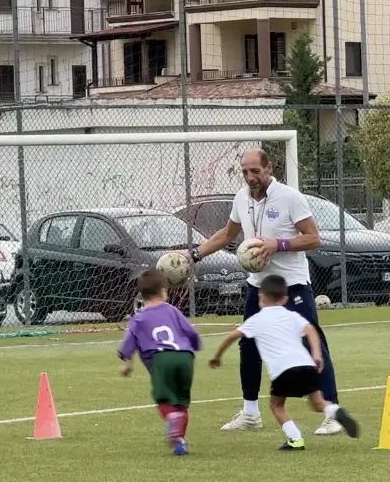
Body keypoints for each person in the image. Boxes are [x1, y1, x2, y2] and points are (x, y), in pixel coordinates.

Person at [186, 148, 342, 435]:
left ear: (269, 168)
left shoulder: (290, 197)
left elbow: (313, 238)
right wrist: (193, 256)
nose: (250, 177)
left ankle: (332, 411)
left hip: (292, 285)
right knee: (248, 345)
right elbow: (226, 235)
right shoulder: (241, 198)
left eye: (255, 170)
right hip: (258, 287)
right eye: (245, 172)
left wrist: (277, 244)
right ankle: (250, 413)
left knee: (312, 341)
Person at [208, 275, 358, 451]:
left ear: (261, 296)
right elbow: (310, 330)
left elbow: (233, 336)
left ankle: (295, 439)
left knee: (276, 405)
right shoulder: (292, 315)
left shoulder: (256, 320)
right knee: (318, 403)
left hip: (283, 371)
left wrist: (217, 356)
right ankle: (334, 411)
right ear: (286, 298)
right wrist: (316, 354)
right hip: (307, 365)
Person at [117, 269, 202, 456]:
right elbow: (191, 332)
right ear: (164, 291)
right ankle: (179, 442)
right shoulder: (173, 311)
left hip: (161, 359)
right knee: (181, 402)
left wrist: (126, 363)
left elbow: (129, 342)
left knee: (164, 399)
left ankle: (172, 419)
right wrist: (195, 347)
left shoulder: (138, 319)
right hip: (185, 357)